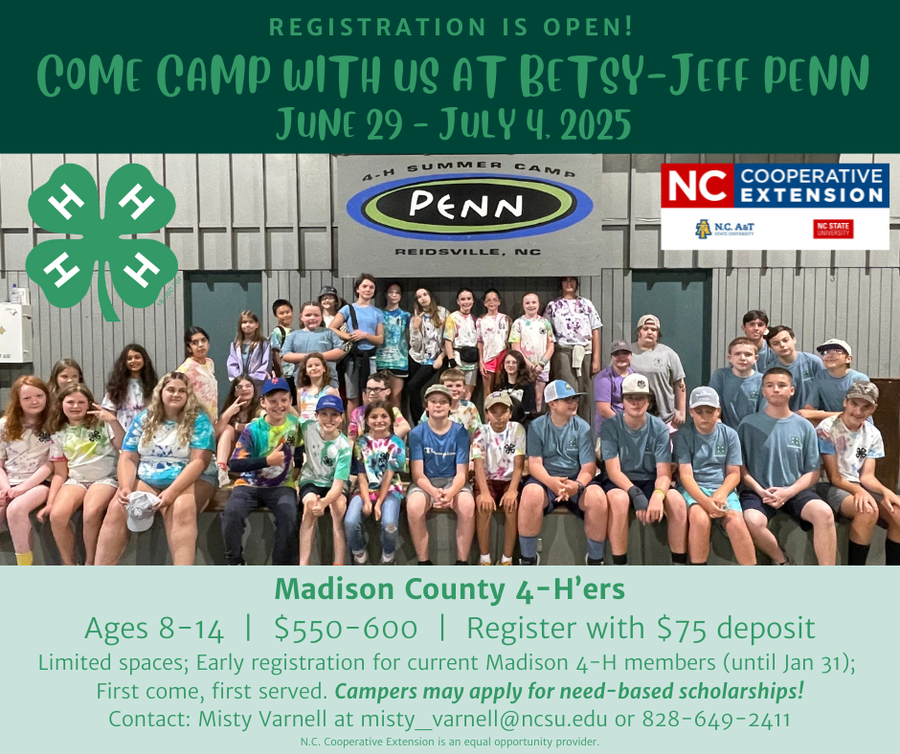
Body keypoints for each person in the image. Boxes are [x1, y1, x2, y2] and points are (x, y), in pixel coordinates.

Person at [95, 372, 217, 566]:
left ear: (188, 395)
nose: (176, 394)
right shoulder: (144, 418)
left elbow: (198, 462)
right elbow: (128, 456)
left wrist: (172, 491)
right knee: (118, 506)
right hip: (149, 477)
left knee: (180, 507)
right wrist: (125, 486)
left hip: (191, 478)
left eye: (182, 391)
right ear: (160, 392)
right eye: (171, 390)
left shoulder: (200, 420)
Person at [738, 367, 834, 565]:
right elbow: (741, 468)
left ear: (791, 390)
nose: (776, 389)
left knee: (824, 513)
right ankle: (783, 562)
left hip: (795, 490)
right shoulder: (747, 425)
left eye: (781, 385)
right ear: (763, 391)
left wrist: (789, 492)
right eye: (770, 385)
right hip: (758, 491)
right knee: (752, 520)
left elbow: (813, 471)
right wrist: (760, 490)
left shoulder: (804, 426)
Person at [597, 374, 687, 565]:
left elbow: (664, 473)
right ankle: (620, 564)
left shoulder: (659, 428)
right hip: (620, 481)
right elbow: (613, 471)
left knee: (677, 502)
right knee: (620, 501)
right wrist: (636, 494)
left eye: (640, 398)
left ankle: (678, 564)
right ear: (622, 401)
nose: (635, 403)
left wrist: (657, 495)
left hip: (650, 480)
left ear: (648, 401)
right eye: (630, 398)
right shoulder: (610, 426)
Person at [518, 380, 603, 565]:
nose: (573, 403)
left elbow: (588, 466)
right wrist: (551, 483)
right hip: (545, 480)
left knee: (597, 497)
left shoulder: (583, 427)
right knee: (530, 493)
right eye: (567, 399)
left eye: (574, 399)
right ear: (552, 403)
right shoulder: (537, 426)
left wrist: (577, 485)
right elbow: (534, 464)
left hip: (575, 479)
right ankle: (528, 559)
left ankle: (596, 561)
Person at [671, 387, 756, 565]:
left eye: (709, 411)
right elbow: (685, 475)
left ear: (718, 411)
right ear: (691, 412)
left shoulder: (730, 435)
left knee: (735, 521)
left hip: (722, 489)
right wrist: (705, 501)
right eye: (699, 411)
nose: (705, 416)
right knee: (699, 518)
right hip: (694, 489)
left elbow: (734, 474)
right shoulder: (683, 436)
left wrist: (721, 494)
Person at [41, 384, 124, 565]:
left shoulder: (102, 423)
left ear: (89, 404)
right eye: (70, 402)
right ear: (61, 404)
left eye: (81, 402)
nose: (75, 406)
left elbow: (123, 445)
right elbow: (60, 472)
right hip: (76, 480)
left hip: (105, 478)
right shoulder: (58, 431)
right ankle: (69, 564)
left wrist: (113, 421)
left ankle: (90, 562)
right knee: (57, 516)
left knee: (91, 512)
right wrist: (51, 502)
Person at [222, 377, 300, 566]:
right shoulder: (253, 429)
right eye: (273, 401)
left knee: (289, 516)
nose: (279, 406)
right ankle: (235, 562)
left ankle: (280, 568)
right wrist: (267, 461)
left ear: (290, 401)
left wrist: (297, 478)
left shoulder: (295, 425)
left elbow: (298, 452)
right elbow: (235, 464)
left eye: (283, 400)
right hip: (249, 484)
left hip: (282, 485)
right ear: (263, 402)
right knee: (232, 513)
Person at [816, 381, 892, 565]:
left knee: (896, 512)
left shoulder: (873, 433)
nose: (858, 411)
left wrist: (886, 492)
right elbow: (834, 477)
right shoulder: (827, 428)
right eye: (854, 404)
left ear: (873, 408)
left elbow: (867, 476)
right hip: (828, 484)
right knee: (867, 510)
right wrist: (859, 491)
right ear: (845, 402)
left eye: (866, 407)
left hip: (855, 484)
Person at [407, 385, 475, 565]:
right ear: (426, 406)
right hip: (426, 483)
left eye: (443, 402)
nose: (438, 405)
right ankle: (424, 562)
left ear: (450, 406)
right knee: (414, 505)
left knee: (467, 504)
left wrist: (450, 493)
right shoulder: (417, 433)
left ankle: (462, 562)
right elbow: (418, 474)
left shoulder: (460, 432)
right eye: (433, 402)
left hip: (453, 482)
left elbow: (462, 473)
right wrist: (434, 493)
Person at [0, 376, 54, 566]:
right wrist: (6, 488)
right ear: (18, 401)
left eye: (39, 396)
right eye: (27, 398)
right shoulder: (5, 425)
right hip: (10, 482)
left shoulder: (53, 424)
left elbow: (50, 464)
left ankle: (24, 567)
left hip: (40, 483)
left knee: (16, 509)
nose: (34, 401)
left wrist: (22, 488)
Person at [345, 400, 407, 565]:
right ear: (366, 420)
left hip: (390, 489)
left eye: (384, 416)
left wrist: (378, 503)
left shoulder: (397, 443)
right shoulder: (361, 442)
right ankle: (359, 553)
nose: (379, 420)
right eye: (374, 417)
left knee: (389, 524)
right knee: (350, 522)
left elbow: (388, 475)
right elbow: (361, 475)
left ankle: (388, 555)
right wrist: (366, 500)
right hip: (365, 489)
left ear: (391, 419)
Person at [472, 392, 525, 566]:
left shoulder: (517, 429)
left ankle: (506, 559)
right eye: (494, 412)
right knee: (483, 506)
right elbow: (478, 465)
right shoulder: (480, 431)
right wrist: (484, 493)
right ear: (487, 413)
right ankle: (485, 558)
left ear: (510, 413)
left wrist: (513, 491)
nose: (499, 416)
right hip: (487, 479)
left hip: (509, 480)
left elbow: (519, 465)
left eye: (503, 411)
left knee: (511, 506)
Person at [298, 394, 352, 566]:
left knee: (339, 507)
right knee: (310, 506)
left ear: (342, 418)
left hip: (333, 484)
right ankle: (303, 564)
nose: (329, 419)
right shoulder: (308, 427)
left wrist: (324, 502)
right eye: (324, 414)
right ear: (316, 415)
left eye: (334, 414)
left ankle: (338, 563)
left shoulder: (344, 447)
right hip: (311, 479)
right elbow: (289, 415)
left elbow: (337, 485)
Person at [544, 276, 602, 425]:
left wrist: (596, 359)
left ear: (577, 284)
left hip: (584, 352)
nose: (569, 283)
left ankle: (583, 428)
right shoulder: (553, 306)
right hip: (563, 351)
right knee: (567, 392)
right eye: (565, 280)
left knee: (585, 392)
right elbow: (547, 332)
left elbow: (595, 330)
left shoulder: (586, 304)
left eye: (572, 280)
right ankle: (567, 427)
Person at [328, 273, 385, 415]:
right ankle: (352, 426)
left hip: (370, 358)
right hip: (352, 358)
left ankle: (368, 423)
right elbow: (332, 328)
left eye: (371, 287)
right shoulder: (348, 309)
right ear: (358, 289)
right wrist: (348, 336)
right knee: (352, 396)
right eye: (364, 286)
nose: (368, 290)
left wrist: (365, 335)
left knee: (371, 395)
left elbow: (380, 339)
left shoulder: (377, 312)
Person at [629, 314, 686, 429]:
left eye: (654, 330)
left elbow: (680, 384)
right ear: (638, 332)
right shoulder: (628, 352)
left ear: (658, 334)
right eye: (645, 329)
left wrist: (681, 411)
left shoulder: (669, 354)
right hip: (632, 418)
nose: (650, 332)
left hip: (664, 418)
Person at [280, 301, 345, 396]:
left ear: (321, 317)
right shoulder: (294, 335)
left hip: (329, 381)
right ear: (301, 317)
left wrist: (317, 357)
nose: (312, 318)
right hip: (303, 381)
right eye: (308, 315)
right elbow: (285, 355)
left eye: (316, 315)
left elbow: (339, 351)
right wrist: (310, 358)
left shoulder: (329, 333)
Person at [800, 339, 869, 423]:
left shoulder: (860, 379)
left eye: (837, 351)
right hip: (832, 425)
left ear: (848, 359)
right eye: (826, 352)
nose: (830, 355)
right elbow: (809, 408)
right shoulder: (820, 376)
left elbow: (857, 413)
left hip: (859, 426)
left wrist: (819, 414)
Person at [407, 286, 449, 424]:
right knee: (413, 390)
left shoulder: (443, 313)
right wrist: (415, 328)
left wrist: (442, 356)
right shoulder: (416, 318)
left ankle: (423, 421)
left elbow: (448, 338)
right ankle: (418, 424)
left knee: (413, 386)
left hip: (433, 359)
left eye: (425, 294)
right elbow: (415, 345)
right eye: (419, 297)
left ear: (430, 296)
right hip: (416, 358)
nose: (423, 298)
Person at [509, 292, 555, 412]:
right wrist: (529, 366)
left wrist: (541, 365)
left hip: (542, 367)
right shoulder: (518, 323)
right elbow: (515, 347)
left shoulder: (545, 323)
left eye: (534, 302)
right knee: (523, 398)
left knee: (538, 399)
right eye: (527, 303)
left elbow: (551, 346)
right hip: (524, 367)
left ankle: (536, 421)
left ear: (538, 304)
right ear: (523, 305)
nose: (531, 305)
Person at [708, 337, 764, 430]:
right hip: (725, 432)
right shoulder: (720, 376)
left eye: (748, 354)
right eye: (737, 354)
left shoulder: (762, 380)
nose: (742, 358)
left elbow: (764, 412)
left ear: (756, 358)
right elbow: (713, 404)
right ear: (730, 358)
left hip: (753, 432)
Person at [214, 376, 261, 486]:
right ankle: (221, 468)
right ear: (234, 392)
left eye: (248, 386)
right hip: (232, 455)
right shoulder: (231, 408)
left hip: (251, 453)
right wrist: (227, 414)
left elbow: (257, 426)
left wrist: (238, 426)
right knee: (227, 429)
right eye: (239, 387)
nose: (244, 389)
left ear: (254, 389)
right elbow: (214, 434)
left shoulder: (260, 407)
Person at [764, 325, 822, 412]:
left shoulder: (813, 362)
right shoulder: (770, 371)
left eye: (785, 340)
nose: (782, 345)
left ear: (794, 340)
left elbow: (824, 389)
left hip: (814, 415)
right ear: (770, 347)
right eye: (776, 343)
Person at [101, 344, 158, 433]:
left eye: (137, 357)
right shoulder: (117, 386)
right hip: (122, 433)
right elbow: (109, 412)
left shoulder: (153, 386)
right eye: (129, 358)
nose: (133, 361)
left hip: (146, 433)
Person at [375, 281, 411, 413]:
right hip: (380, 360)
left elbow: (410, 338)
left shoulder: (406, 316)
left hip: (399, 361)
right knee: (380, 398)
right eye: (391, 292)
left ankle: (397, 424)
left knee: (396, 398)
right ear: (386, 294)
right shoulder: (379, 314)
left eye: (397, 292)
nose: (394, 295)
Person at [347, 371, 410, 443]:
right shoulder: (358, 412)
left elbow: (405, 427)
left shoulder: (392, 411)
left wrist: (382, 439)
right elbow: (351, 437)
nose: (372, 393)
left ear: (388, 391)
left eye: (376, 389)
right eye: (369, 389)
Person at [420, 368, 481, 437]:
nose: (454, 389)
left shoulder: (469, 407)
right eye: (449, 386)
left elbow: (477, 433)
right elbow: (422, 433)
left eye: (458, 385)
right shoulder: (435, 408)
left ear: (464, 388)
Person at [444, 287, 479, 401]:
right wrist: (452, 361)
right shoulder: (453, 317)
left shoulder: (475, 319)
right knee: (455, 393)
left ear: (473, 301)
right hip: (458, 360)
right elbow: (448, 340)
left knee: (468, 394)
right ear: (458, 301)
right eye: (463, 299)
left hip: (472, 361)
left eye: (469, 299)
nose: (466, 302)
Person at [593, 339, 635, 436]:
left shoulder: (635, 376)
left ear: (631, 355)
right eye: (617, 354)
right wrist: (625, 426)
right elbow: (604, 410)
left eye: (625, 353)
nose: (621, 357)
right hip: (609, 431)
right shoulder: (603, 378)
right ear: (611, 357)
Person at [177, 327, 218, 419]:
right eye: (194, 343)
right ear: (189, 348)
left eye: (203, 340)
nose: (200, 345)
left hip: (211, 416)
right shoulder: (186, 368)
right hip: (195, 417)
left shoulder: (210, 363)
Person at [476, 288, 511, 395]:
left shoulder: (506, 319)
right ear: (485, 303)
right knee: (488, 392)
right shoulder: (481, 321)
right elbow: (480, 342)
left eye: (494, 300)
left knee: (502, 390)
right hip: (488, 358)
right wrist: (481, 361)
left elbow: (510, 341)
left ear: (499, 302)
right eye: (488, 300)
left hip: (503, 356)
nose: (492, 302)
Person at [227, 310, 271, 384]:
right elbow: (232, 365)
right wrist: (240, 379)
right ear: (240, 325)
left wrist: (250, 379)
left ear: (257, 325)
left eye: (251, 322)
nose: (247, 325)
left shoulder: (264, 344)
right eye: (244, 322)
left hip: (257, 384)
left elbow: (266, 366)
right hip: (240, 384)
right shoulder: (235, 345)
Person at [493, 350, 537, 423]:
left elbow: (528, 411)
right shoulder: (500, 384)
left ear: (520, 365)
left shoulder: (528, 385)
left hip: (521, 423)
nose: (510, 365)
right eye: (508, 362)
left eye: (514, 362)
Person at [296, 353, 340, 421]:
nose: (314, 368)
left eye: (317, 365)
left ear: (324, 368)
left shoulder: (330, 391)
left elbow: (339, 415)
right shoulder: (301, 391)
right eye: (310, 366)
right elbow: (300, 413)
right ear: (306, 371)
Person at [269, 298, 294, 379]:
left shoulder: (294, 331)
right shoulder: (277, 331)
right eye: (281, 313)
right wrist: (280, 373)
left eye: (288, 312)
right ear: (276, 315)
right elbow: (275, 353)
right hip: (285, 374)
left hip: (294, 373)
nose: (285, 315)